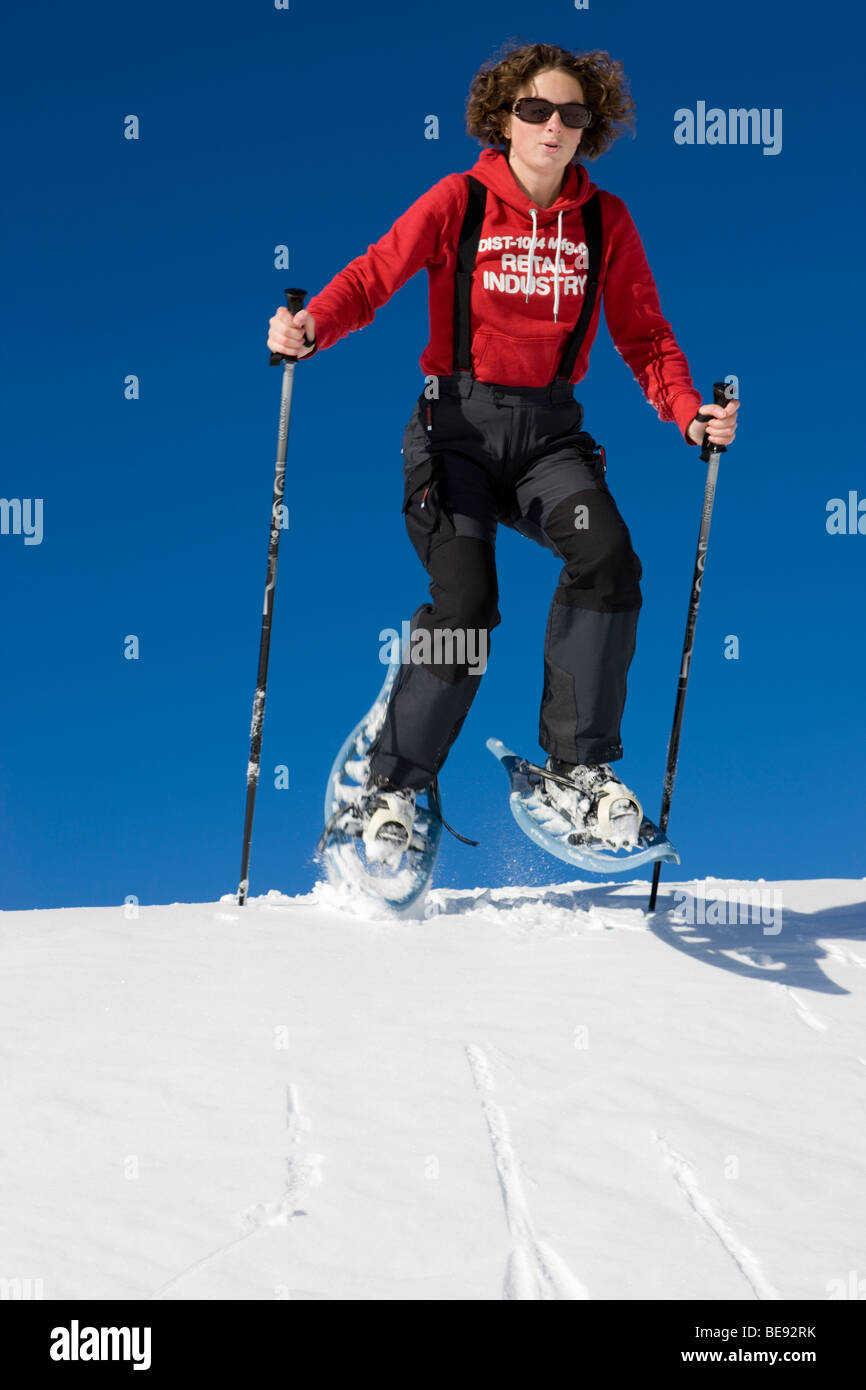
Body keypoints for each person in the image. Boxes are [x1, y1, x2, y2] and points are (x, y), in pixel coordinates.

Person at [267, 41, 739, 861]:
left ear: (590, 129)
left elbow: (645, 335)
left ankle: (578, 770)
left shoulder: (604, 221)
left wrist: (689, 413)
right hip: (455, 432)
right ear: (503, 119)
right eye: (534, 110)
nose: (553, 126)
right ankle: (395, 789)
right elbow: (378, 274)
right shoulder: (461, 201)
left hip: (547, 438)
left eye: (572, 114)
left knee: (608, 559)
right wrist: (312, 328)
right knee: (466, 604)